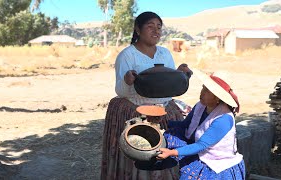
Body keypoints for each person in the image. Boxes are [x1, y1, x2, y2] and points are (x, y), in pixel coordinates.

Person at [101, 11, 192, 180]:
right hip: (136, 110)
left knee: (164, 156)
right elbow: (120, 92)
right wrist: (127, 81)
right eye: (150, 26)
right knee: (139, 151)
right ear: (137, 29)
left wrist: (180, 75)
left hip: (164, 110)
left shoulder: (164, 53)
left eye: (158, 27)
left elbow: (169, 86)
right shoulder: (127, 55)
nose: (155, 31)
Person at [157, 69, 246, 179]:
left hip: (216, 164)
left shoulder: (224, 119)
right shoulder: (201, 106)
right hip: (199, 149)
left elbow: (201, 145)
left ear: (217, 97)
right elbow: (185, 124)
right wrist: (162, 122)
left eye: (207, 91)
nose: (202, 93)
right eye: (203, 88)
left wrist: (172, 152)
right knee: (171, 136)